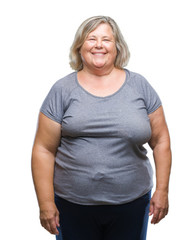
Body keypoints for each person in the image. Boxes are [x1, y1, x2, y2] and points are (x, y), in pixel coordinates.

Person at [31, 16, 172, 240]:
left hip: (132, 204)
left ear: (117, 47)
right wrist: (45, 202)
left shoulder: (140, 86)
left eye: (106, 39)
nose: (99, 45)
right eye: (91, 39)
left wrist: (162, 191)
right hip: (72, 205)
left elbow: (161, 140)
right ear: (79, 47)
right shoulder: (62, 90)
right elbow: (43, 149)